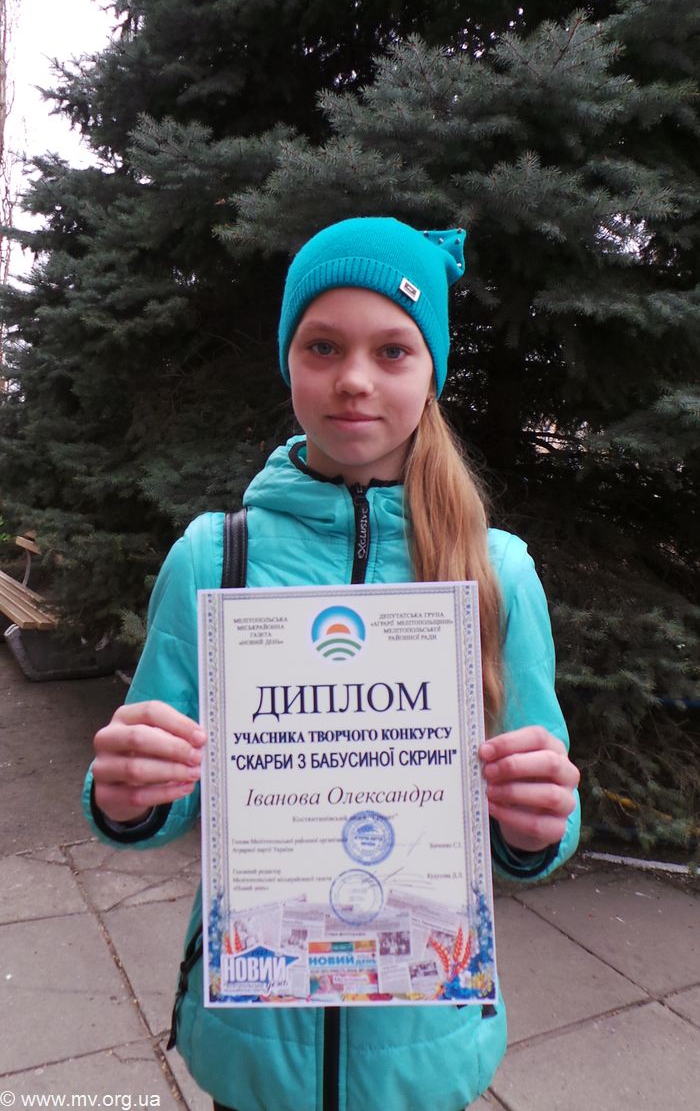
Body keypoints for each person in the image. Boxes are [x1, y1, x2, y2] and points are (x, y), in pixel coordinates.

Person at [84, 217, 580, 1111]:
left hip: (422, 1052)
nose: (354, 379)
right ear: (289, 361)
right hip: (253, 1049)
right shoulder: (214, 559)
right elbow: (161, 798)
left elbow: (535, 815)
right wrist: (128, 795)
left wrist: (538, 820)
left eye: (393, 350)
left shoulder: (494, 571)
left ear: (431, 372)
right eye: (323, 346)